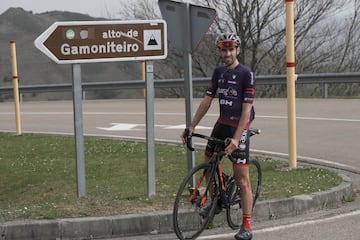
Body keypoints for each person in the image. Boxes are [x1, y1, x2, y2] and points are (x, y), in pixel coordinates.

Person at [181, 32, 256, 240]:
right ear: (219, 51)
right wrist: (192, 126)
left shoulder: (246, 74)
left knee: (242, 179)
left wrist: (236, 138)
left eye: (231, 49)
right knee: (209, 164)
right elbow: (207, 101)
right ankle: (216, 205)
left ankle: (247, 225)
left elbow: (246, 111)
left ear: (237, 50)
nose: (228, 53)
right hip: (221, 124)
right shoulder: (218, 73)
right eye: (224, 49)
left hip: (238, 127)